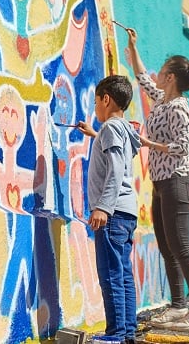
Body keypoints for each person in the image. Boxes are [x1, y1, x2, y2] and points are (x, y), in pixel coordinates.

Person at [125, 27, 189, 332]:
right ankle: (178, 306)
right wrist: (133, 47)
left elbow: (181, 147)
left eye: (162, 71)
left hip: (178, 180)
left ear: (171, 77)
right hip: (162, 183)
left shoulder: (179, 108)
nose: (158, 75)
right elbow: (142, 78)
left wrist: (150, 145)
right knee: (167, 246)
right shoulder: (162, 99)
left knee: (181, 246)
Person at [78, 75, 141, 344]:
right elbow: (119, 158)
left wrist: (102, 207)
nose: (95, 109)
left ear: (106, 99)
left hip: (112, 214)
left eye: (96, 102)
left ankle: (115, 335)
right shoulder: (123, 130)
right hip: (126, 213)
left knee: (110, 273)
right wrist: (96, 135)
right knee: (123, 274)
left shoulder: (110, 129)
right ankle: (126, 332)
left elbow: (115, 169)